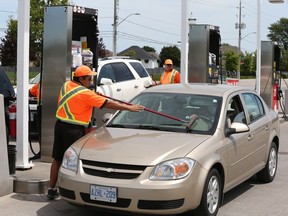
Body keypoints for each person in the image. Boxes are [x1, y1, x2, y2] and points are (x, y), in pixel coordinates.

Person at [47, 65, 144, 200]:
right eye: (89, 79)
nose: (91, 82)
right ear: (81, 78)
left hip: (60, 125)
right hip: (74, 130)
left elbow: (79, 97)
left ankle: (51, 189)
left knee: (57, 158)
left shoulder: (66, 85)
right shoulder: (86, 94)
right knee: (73, 160)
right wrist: (129, 107)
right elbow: (109, 104)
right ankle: (70, 190)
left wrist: (92, 95)